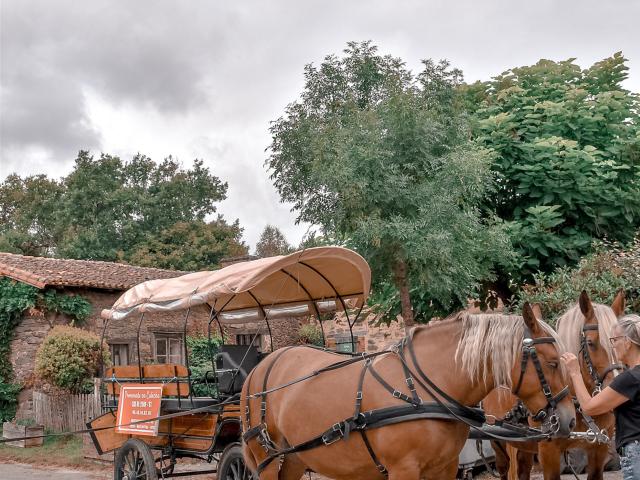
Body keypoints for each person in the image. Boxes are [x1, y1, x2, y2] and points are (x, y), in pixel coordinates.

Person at [561, 314, 640, 479]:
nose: (613, 346)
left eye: (614, 340)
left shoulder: (629, 379)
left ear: (627, 342)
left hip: (635, 452)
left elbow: (589, 407)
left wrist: (575, 372)